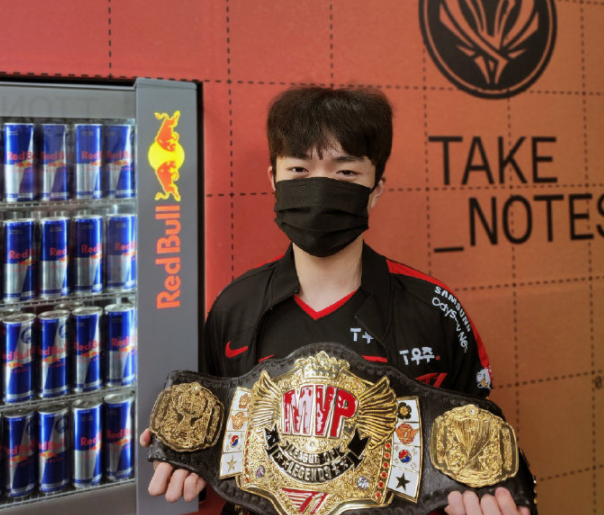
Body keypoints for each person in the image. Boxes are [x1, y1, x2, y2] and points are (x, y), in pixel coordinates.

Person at [140, 86, 531, 515]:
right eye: (299, 170)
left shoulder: (436, 310)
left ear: (376, 188)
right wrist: (183, 445)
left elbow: (474, 434)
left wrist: (488, 486)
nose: (320, 190)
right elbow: (210, 423)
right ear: (273, 180)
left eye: (345, 173)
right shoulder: (235, 308)